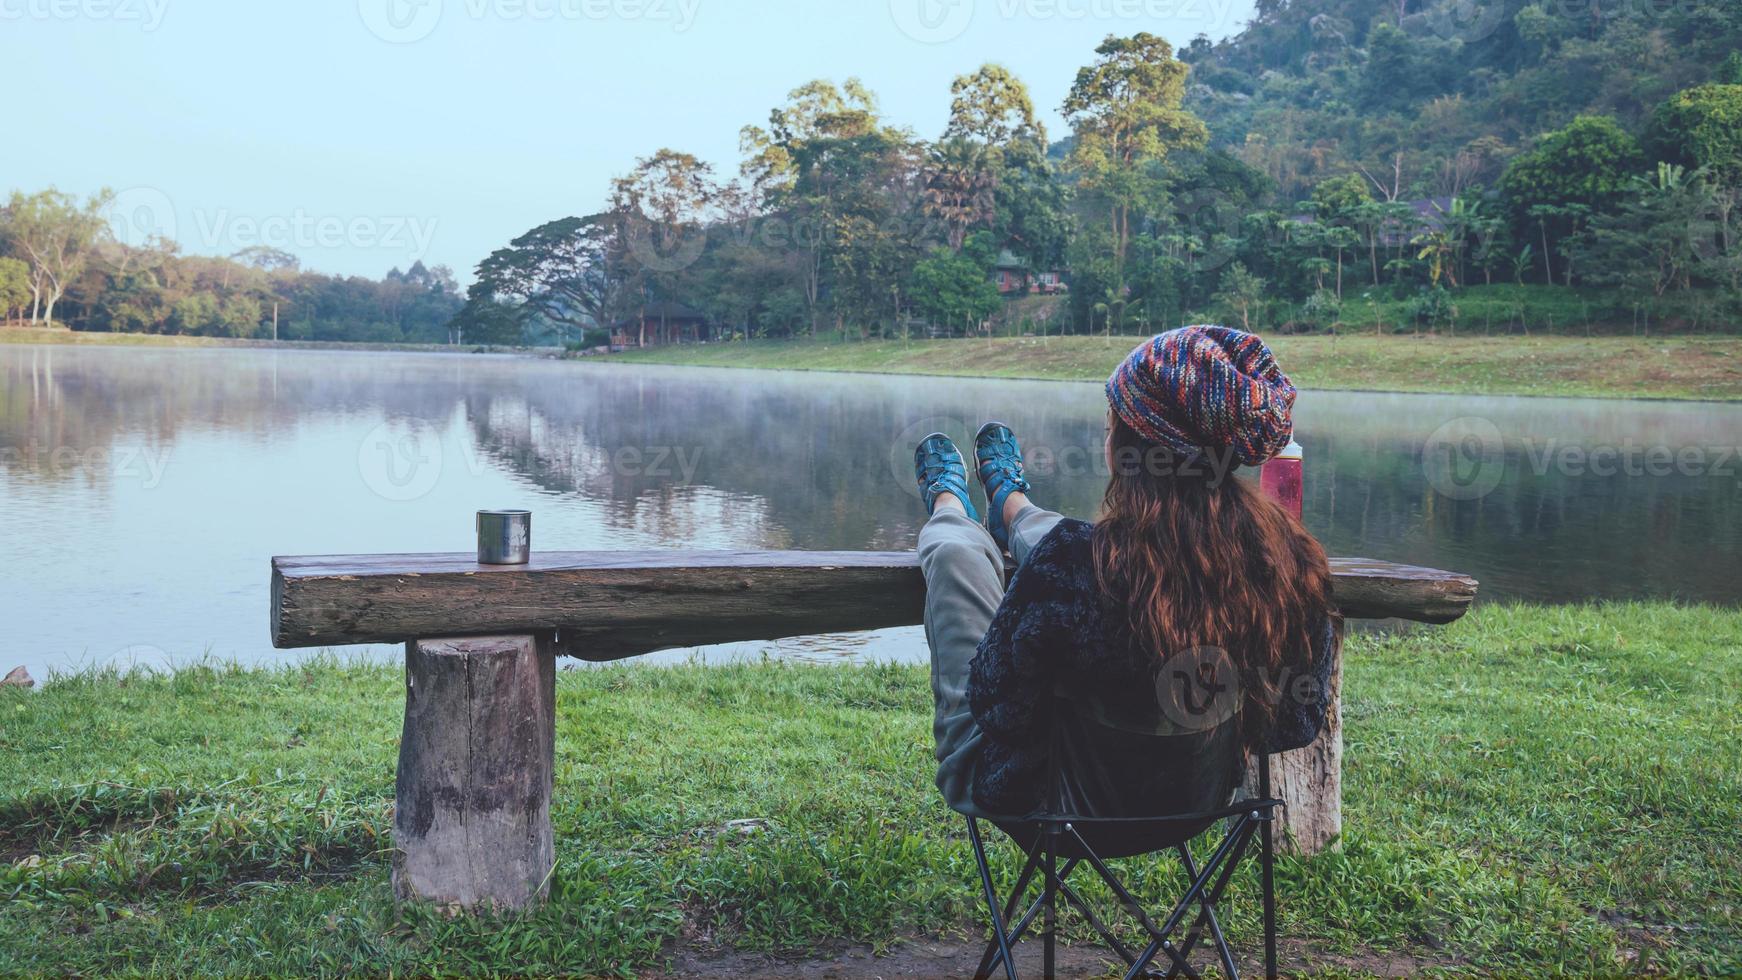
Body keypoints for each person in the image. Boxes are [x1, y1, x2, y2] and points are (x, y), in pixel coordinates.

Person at [913, 325, 1341, 818]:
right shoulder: (1291, 563)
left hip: (1050, 808)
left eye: (1113, 420)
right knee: (1059, 540)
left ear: (1131, 446)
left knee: (956, 551)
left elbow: (994, 707)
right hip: (1192, 803)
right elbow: (1298, 721)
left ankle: (951, 508)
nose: (1106, 433)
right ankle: (1011, 505)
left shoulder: (1076, 564)